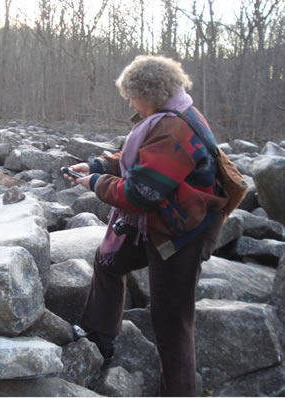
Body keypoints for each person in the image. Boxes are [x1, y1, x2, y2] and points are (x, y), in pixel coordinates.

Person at [64, 55, 226, 396]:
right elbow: (138, 163)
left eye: (131, 96)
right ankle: (99, 338)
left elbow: (140, 194)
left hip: (183, 233)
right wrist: (95, 165)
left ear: (151, 93)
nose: (130, 103)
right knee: (109, 261)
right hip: (158, 220)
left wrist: (95, 182)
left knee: (171, 321)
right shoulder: (165, 117)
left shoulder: (174, 128)